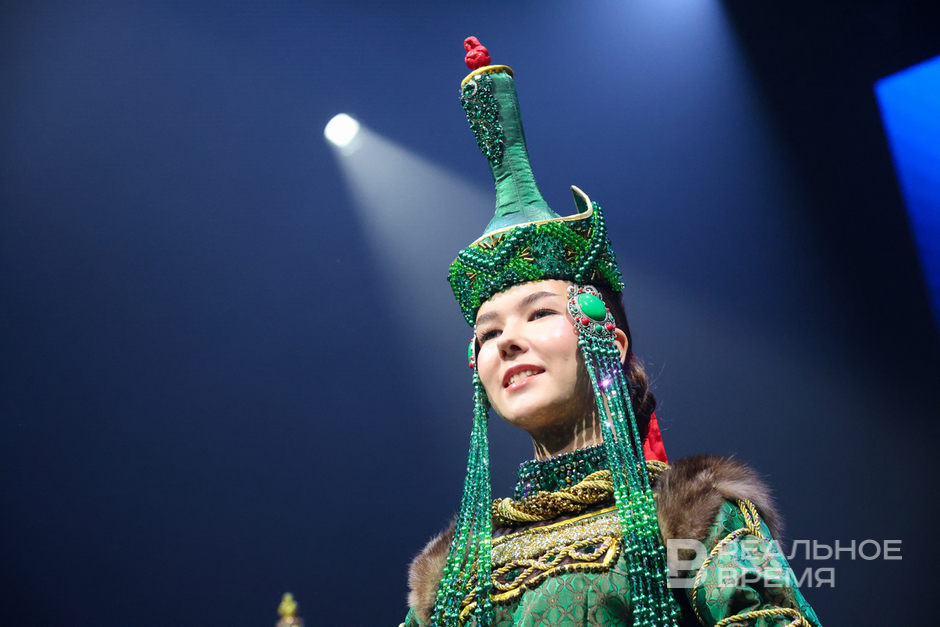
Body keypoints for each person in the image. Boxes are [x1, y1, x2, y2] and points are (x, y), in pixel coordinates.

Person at [402, 38, 822, 627]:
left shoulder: (692, 515)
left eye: (539, 314)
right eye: (488, 333)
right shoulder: (453, 573)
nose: (507, 341)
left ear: (609, 341)